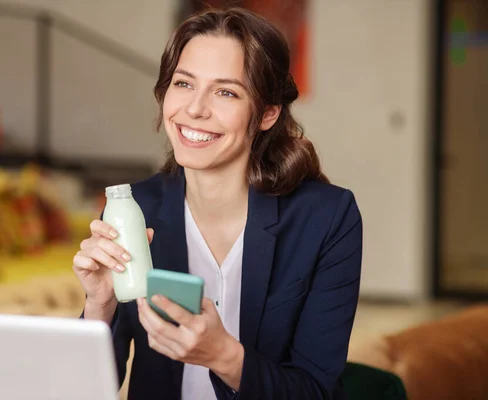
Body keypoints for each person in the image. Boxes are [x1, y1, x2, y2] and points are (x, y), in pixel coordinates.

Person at [73, 7, 362, 400]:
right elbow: (87, 387)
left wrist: (225, 357)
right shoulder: (134, 208)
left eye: (226, 92)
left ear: (267, 113)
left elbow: (317, 392)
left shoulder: (326, 218)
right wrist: (100, 305)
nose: (194, 109)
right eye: (183, 84)